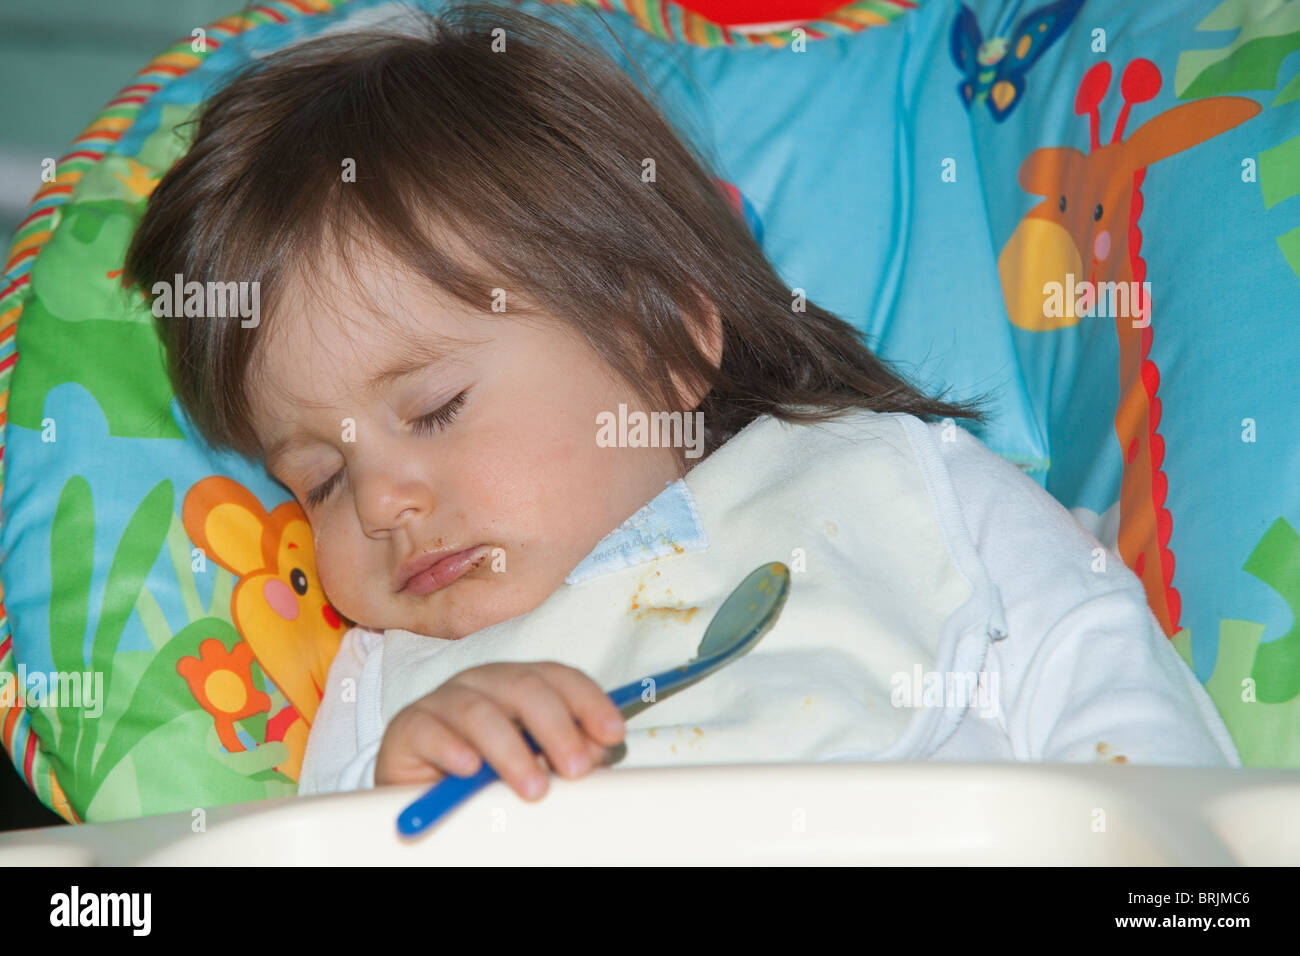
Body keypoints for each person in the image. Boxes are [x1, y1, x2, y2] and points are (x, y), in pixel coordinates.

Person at [121, 1, 1239, 802]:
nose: (379, 499)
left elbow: (1108, 681)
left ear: (658, 339)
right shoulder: (388, 691)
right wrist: (389, 800)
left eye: (435, 407)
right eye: (316, 474)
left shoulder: (890, 479)